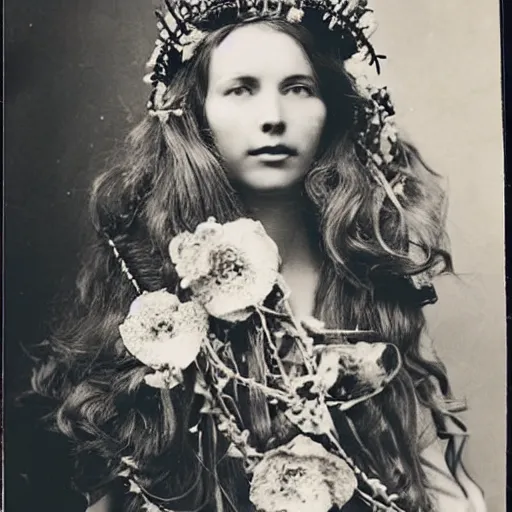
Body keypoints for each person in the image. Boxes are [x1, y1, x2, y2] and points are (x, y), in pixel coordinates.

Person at [29, 1, 487, 511]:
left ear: (330, 107)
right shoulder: (148, 286)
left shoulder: (371, 283)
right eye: (241, 89)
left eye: (298, 88)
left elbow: (436, 483)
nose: (272, 118)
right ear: (194, 112)